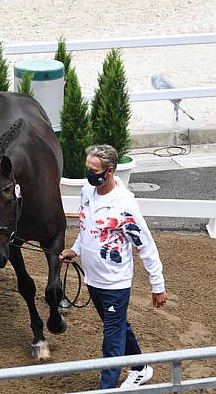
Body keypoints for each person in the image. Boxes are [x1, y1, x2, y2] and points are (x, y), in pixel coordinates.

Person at [59, 144, 168, 390]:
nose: (88, 173)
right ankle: (141, 367)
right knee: (118, 326)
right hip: (93, 279)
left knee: (112, 340)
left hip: (115, 284)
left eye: (93, 169)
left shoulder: (125, 205)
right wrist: (75, 249)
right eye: (87, 168)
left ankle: (106, 388)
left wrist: (157, 285)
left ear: (109, 171)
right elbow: (86, 227)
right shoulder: (87, 191)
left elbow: (146, 246)